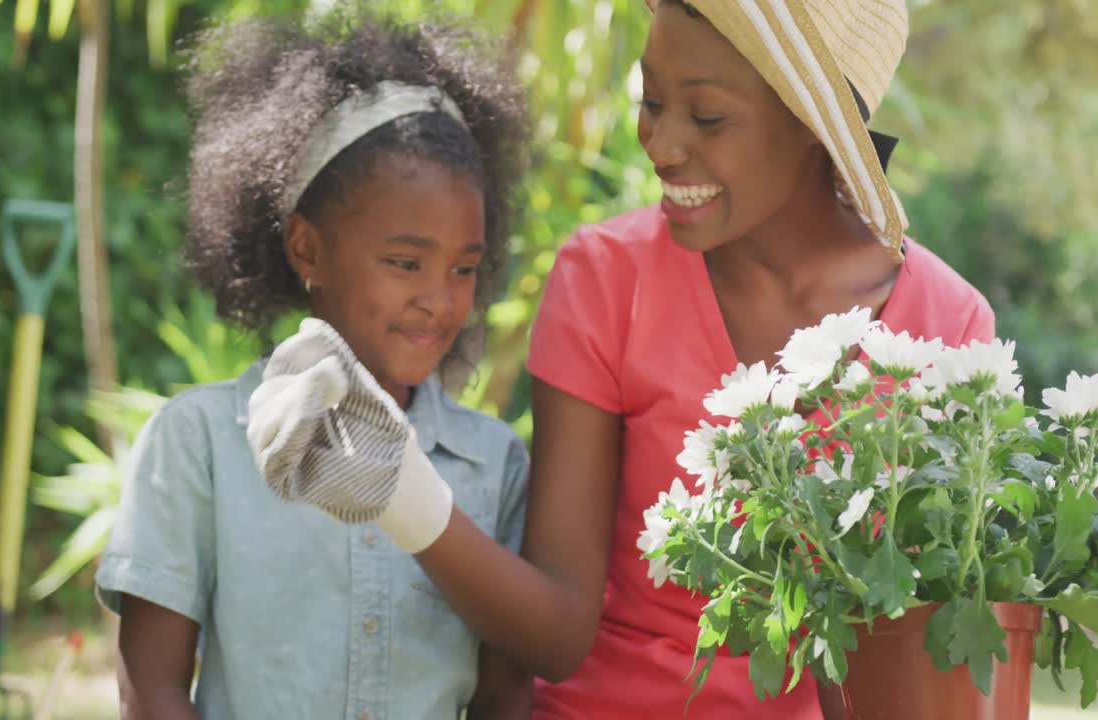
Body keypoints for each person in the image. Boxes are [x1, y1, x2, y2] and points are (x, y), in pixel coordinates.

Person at [520, 0, 994, 717]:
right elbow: (553, 618)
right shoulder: (607, 279)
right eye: (652, 102)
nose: (661, 144)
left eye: (706, 117)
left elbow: (920, 659)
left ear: (812, 124)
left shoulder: (949, 326)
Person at [94, 11, 531, 719]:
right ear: (307, 250)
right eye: (405, 262)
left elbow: (507, 691)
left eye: (464, 268)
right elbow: (151, 691)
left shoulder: (494, 463)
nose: (438, 299)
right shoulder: (198, 443)